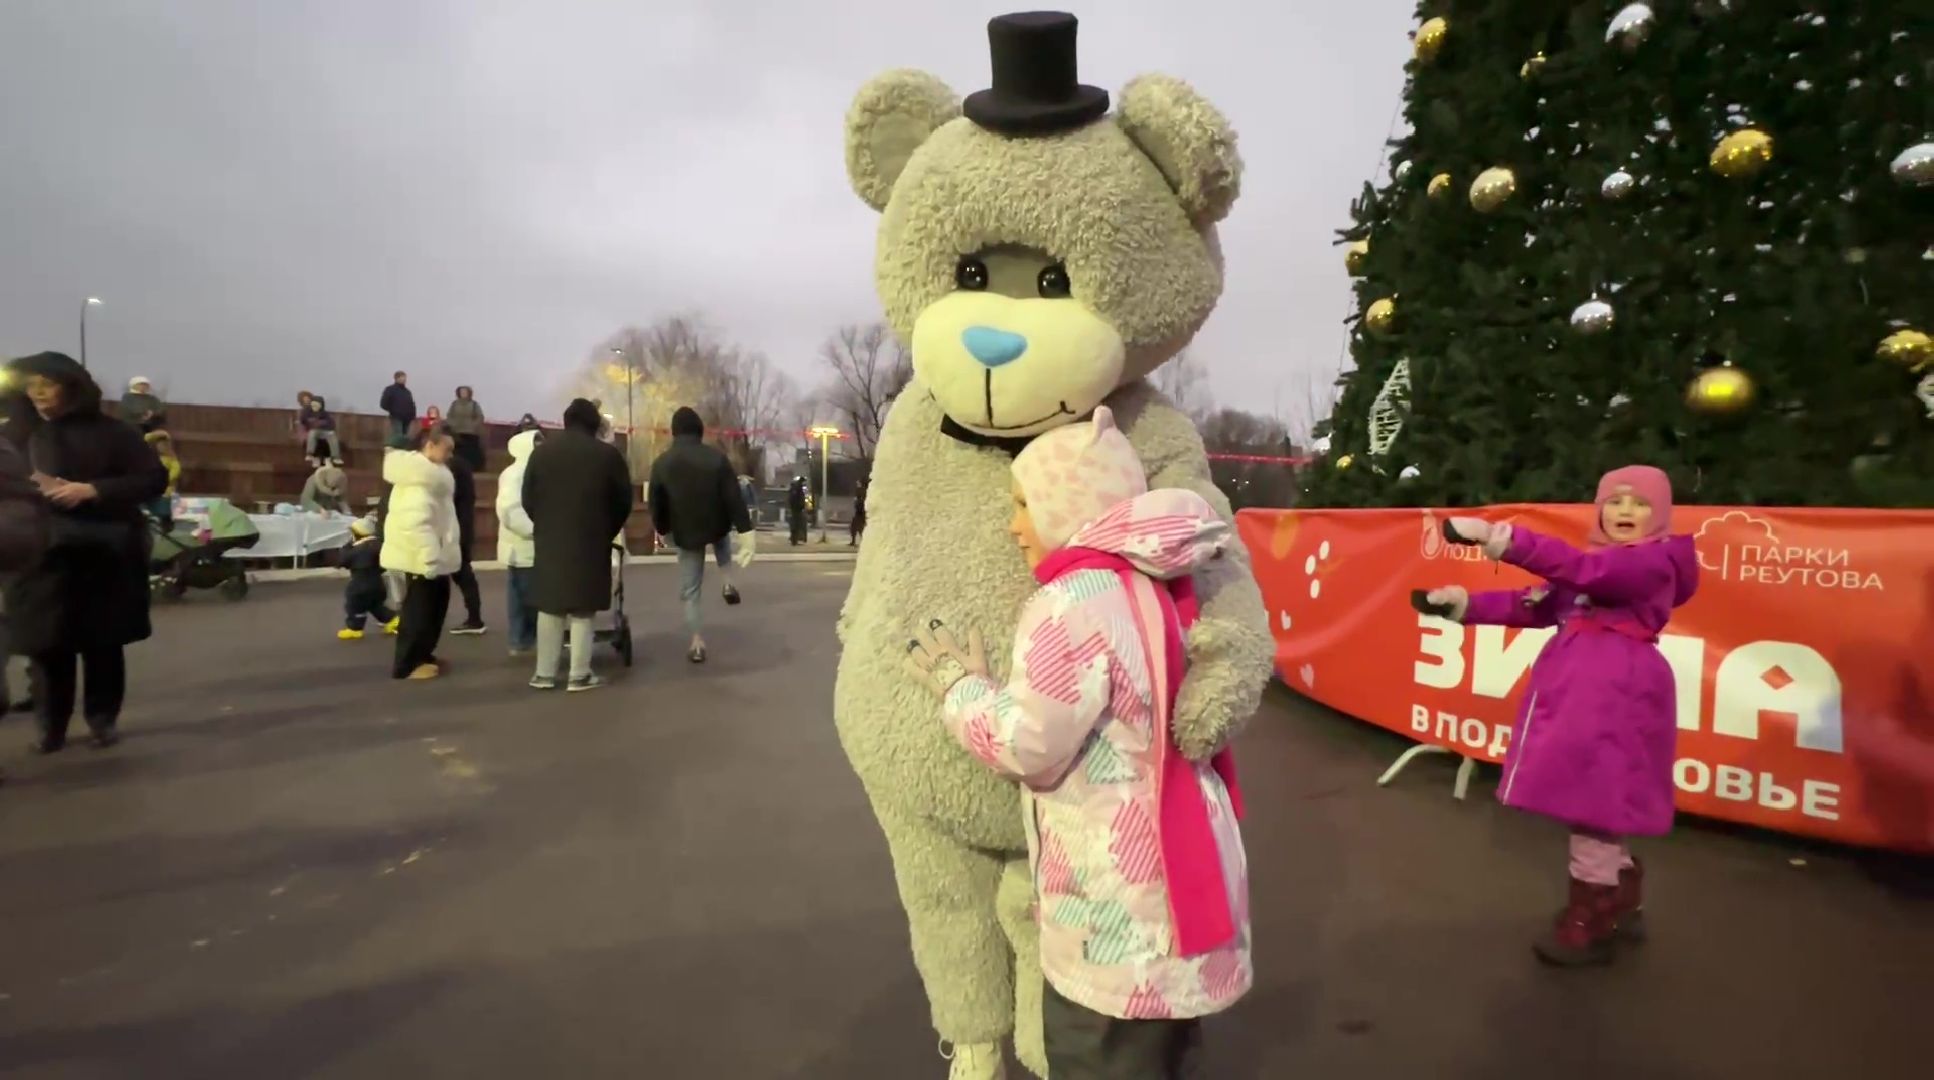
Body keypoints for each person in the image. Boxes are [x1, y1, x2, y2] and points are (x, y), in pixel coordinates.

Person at [904, 407, 1250, 1076]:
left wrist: (960, 688)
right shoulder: (1160, 586)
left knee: (1097, 1061)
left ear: (1066, 505)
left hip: (1114, 916)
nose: (1013, 526)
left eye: (1023, 505)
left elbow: (1027, 743)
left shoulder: (1071, 604)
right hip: (1181, 895)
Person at [1419, 465, 1699, 967]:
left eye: (1639, 503)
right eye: (1615, 501)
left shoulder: (1652, 563)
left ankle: (1591, 915)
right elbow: (1534, 604)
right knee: (1594, 800)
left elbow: (1585, 572)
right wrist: (1464, 606)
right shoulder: (1596, 569)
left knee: (1594, 802)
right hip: (1583, 696)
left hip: (1618, 697)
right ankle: (1619, 890)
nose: (1625, 511)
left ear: (1659, 514)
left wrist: (1503, 540)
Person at [3, 352, 168, 753]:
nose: (39, 394)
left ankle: (101, 719)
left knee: (103, 643)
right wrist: (31, 487)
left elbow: (152, 478)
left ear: (72, 388)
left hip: (104, 549)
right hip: (41, 553)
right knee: (47, 645)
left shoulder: (115, 432)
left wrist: (93, 490)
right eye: (32, 386)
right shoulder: (15, 435)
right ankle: (51, 727)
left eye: (48, 385)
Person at [522, 398, 631, 692]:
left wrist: (544, 523)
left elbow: (527, 497)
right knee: (584, 608)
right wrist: (607, 529)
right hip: (591, 538)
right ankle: (579, 674)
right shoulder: (607, 456)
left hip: (550, 538)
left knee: (550, 606)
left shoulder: (541, 454)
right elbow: (623, 500)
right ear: (594, 423)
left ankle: (544, 673)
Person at [648, 407, 756, 664]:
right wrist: (746, 530)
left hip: (686, 531)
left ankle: (697, 643)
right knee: (721, 541)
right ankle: (727, 581)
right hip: (716, 523)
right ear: (699, 430)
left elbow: (656, 502)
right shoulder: (717, 459)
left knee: (691, 590)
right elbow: (733, 497)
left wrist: (663, 528)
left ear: (674, 432)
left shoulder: (662, 463)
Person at [379, 425, 462, 680]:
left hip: (433, 557)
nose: (450, 454)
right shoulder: (417, 480)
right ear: (430, 445)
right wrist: (429, 557)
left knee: (434, 608)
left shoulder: (432, 477)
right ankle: (406, 664)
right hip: (419, 558)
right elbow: (415, 523)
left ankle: (424, 655)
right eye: (447, 448)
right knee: (418, 612)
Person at [495, 428, 542, 656]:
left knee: (524, 595)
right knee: (525, 596)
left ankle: (524, 638)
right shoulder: (516, 474)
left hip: (528, 545)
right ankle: (522, 639)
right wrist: (537, 531)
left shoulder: (532, 471)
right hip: (522, 545)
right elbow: (510, 511)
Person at [446, 446, 486, 635]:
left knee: (460, 575)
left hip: (455, 529)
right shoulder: (462, 466)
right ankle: (474, 618)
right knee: (463, 575)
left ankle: (474, 619)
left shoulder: (452, 467)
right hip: (463, 527)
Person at [336, 517, 395, 640]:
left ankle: (355, 628)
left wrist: (348, 545)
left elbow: (342, 561)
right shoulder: (379, 545)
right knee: (375, 605)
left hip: (360, 584)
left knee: (354, 605)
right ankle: (393, 620)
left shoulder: (356, 550)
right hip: (377, 583)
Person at [144, 430, 181, 528]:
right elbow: (144, 439)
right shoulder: (151, 457)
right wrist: (155, 435)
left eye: (165, 445)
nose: (162, 447)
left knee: (165, 499)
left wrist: (165, 479)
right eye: (160, 445)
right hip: (150, 488)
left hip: (165, 488)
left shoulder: (171, 459)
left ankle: (165, 522)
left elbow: (176, 470)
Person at [447, 386, 486, 471]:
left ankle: (472, 467)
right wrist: (452, 424)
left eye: (465, 392)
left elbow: (480, 417)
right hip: (457, 432)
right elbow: (449, 416)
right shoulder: (454, 404)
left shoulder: (474, 404)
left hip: (470, 433)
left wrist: (473, 425)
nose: (463, 393)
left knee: (470, 451)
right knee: (457, 451)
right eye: (461, 392)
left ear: (469, 393)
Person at [301, 395, 343, 466]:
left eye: (316, 406)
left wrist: (322, 424)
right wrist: (311, 424)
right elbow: (304, 421)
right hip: (313, 432)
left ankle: (335, 457)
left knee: (331, 434)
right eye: (313, 405)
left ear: (320, 406)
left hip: (324, 431)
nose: (314, 407)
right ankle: (310, 454)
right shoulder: (307, 412)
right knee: (312, 433)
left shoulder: (325, 414)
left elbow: (332, 424)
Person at [379, 371, 416, 444]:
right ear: (396, 378)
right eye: (402, 377)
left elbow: (412, 404)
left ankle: (403, 450)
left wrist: (413, 415)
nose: (404, 379)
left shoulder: (407, 392)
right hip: (397, 417)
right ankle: (394, 449)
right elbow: (383, 403)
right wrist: (393, 410)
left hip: (407, 419)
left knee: (405, 438)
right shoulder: (390, 389)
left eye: (405, 377)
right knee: (398, 436)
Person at [786, 476, 808, 545]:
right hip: (798, 509)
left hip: (794, 509)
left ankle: (794, 539)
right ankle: (795, 539)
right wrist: (802, 506)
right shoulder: (799, 488)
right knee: (798, 524)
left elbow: (791, 499)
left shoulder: (795, 488)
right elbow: (800, 499)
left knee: (794, 524)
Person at [850, 475, 868, 546]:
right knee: (857, 527)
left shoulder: (861, 490)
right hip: (860, 511)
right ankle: (855, 541)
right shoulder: (863, 490)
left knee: (856, 527)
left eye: (858, 482)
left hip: (860, 512)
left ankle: (857, 541)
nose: (857, 483)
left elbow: (860, 500)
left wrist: (857, 502)